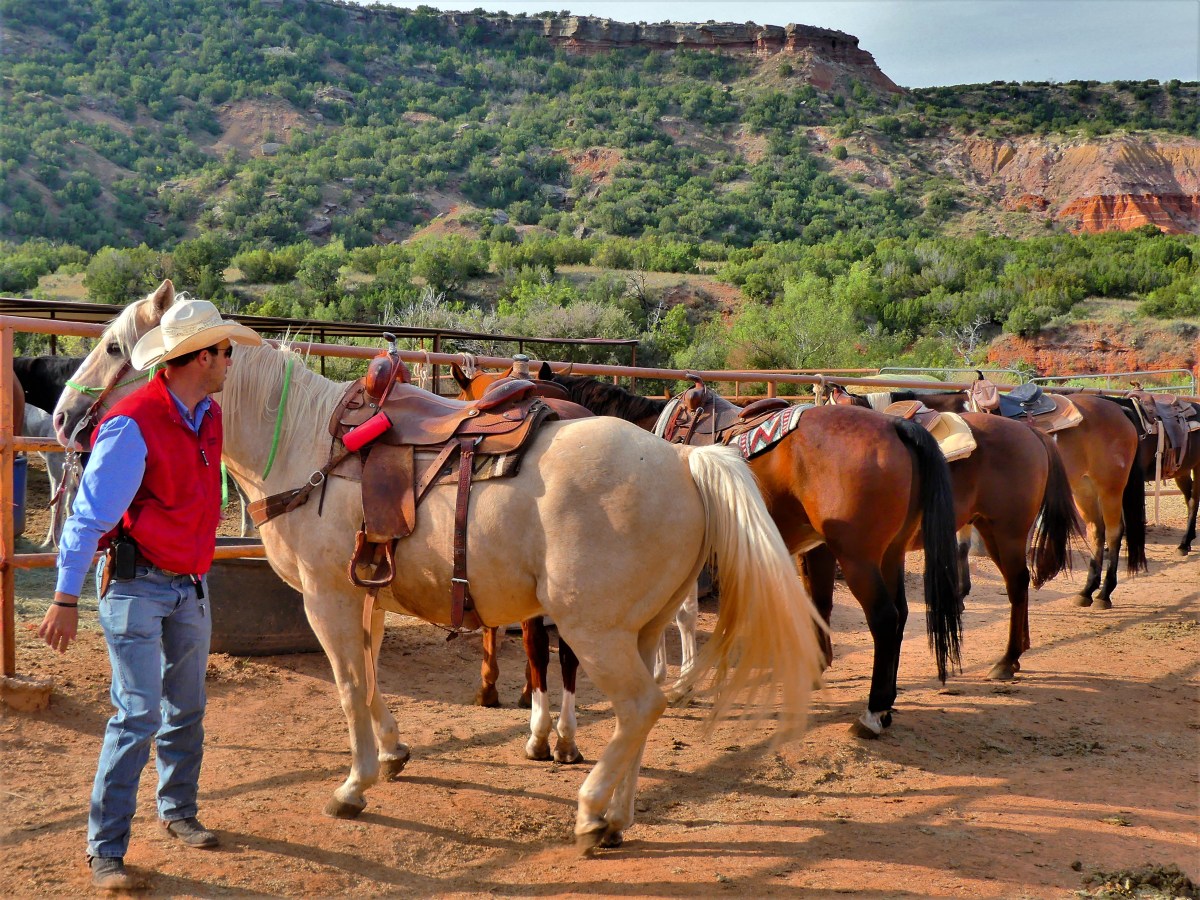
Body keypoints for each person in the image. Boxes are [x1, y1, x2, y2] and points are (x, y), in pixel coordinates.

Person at [38, 299, 261, 891]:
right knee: (138, 714)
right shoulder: (133, 423)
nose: (230, 362)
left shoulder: (206, 416)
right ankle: (106, 848)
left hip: (189, 585)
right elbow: (88, 518)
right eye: (225, 352)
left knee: (185, 708)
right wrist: (64, 599)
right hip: (137, 586)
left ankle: (178, 810)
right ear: (200, 357)